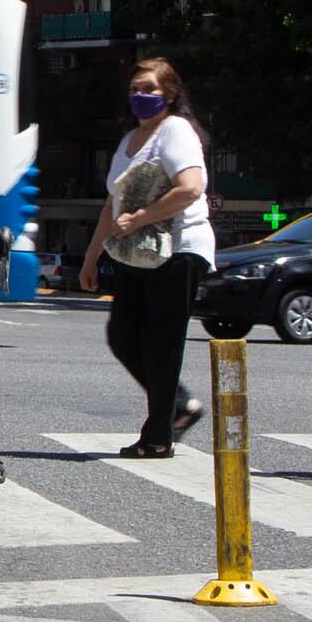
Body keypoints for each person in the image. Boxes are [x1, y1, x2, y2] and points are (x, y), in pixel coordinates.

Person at [79, 58, 213, 458]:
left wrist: (139, 218)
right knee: (122, 336)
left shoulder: (176, 132)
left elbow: (190, 188)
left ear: (170, 94)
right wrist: (91, 257)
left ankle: (158, 437)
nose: (141, 96)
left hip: (178, 249)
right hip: (136, 254)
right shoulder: (129, 141)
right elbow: (111, 204)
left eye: (150, 89)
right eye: (136, 89)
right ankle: (176, 406)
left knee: (162, 343)